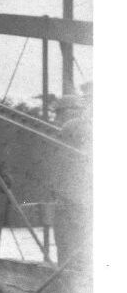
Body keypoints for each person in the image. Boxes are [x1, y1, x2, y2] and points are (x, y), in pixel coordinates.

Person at [52, 94, 91, 269]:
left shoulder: (71, 127)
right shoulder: (86, 127)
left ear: (71, 111)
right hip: (79, 199)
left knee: (66, 245)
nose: (56, 118)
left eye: (59, 113)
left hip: (69, 200)